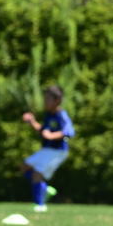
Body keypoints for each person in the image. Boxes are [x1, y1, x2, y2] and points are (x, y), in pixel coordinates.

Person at [21, 84, 75, 212]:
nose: (45, 102)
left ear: (57, 101)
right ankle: (44, 189)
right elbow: (43, 131)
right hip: (47, 150)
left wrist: (52, 135)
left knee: (37, 173)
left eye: (47, 99)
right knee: (24, 167)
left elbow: (69, 132)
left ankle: (39, 205)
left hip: (57, 150)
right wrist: (32, 122)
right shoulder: (48, 115)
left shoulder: (61, 114)